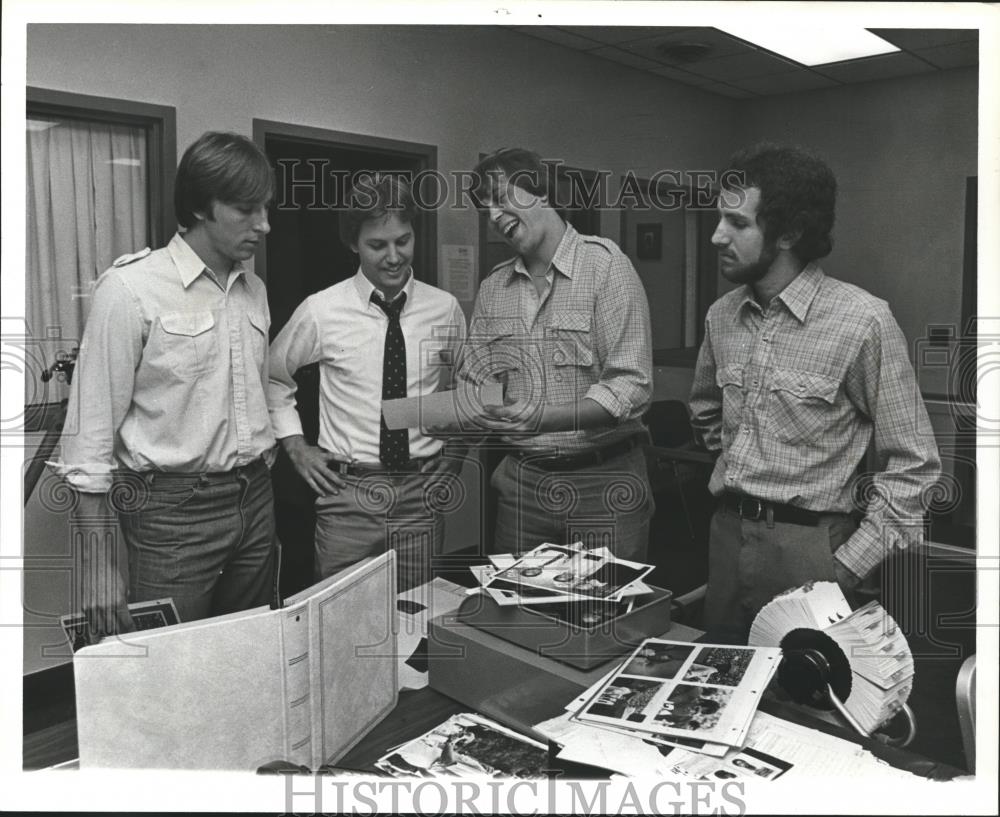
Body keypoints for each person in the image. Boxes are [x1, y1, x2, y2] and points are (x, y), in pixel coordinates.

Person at [689, 142, 941, 643]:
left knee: (807, 704)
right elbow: (705, 411)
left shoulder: (862, 320)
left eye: (737, 224)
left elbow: (916, 467)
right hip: (727, 534)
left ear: (789, 232)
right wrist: (748, 458)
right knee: (717, 687)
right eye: (720, 219)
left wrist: (846, 565)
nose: (717, 236)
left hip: (812, 546)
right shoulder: (722, 316)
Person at [52, 131, 280, 634]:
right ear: (202, 206)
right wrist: (97, 565)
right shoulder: (130, 288)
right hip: (170, 512)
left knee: (249, 653)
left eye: (265, 208)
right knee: (168, 672)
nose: (263, 225)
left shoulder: (254, 289)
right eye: (246, 209)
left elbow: (254, 396)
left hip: (255, 497)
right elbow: (88, 440)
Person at [267, 174, 466, 591]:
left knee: (416, 620)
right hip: (348, 498)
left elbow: (463, 388)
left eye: (404, 241)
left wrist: (456, 451)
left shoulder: (444, 310)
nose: (394, 257)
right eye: (378, 245)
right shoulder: (321, 311)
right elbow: (272, 378)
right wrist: (296, 447)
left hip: (420, 496)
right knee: (340, 626)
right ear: (354, 244)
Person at [456, 148, 655, 560]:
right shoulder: (494, 287)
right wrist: (465, 400)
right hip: (522, 486)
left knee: (600, 615)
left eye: (500, 198)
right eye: (485, 209)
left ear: (539, 192)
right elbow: (477, 379)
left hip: (603, 483)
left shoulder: (606, 268)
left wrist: (544, 417)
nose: (493, 216)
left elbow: (631, 386)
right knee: (516, 612)